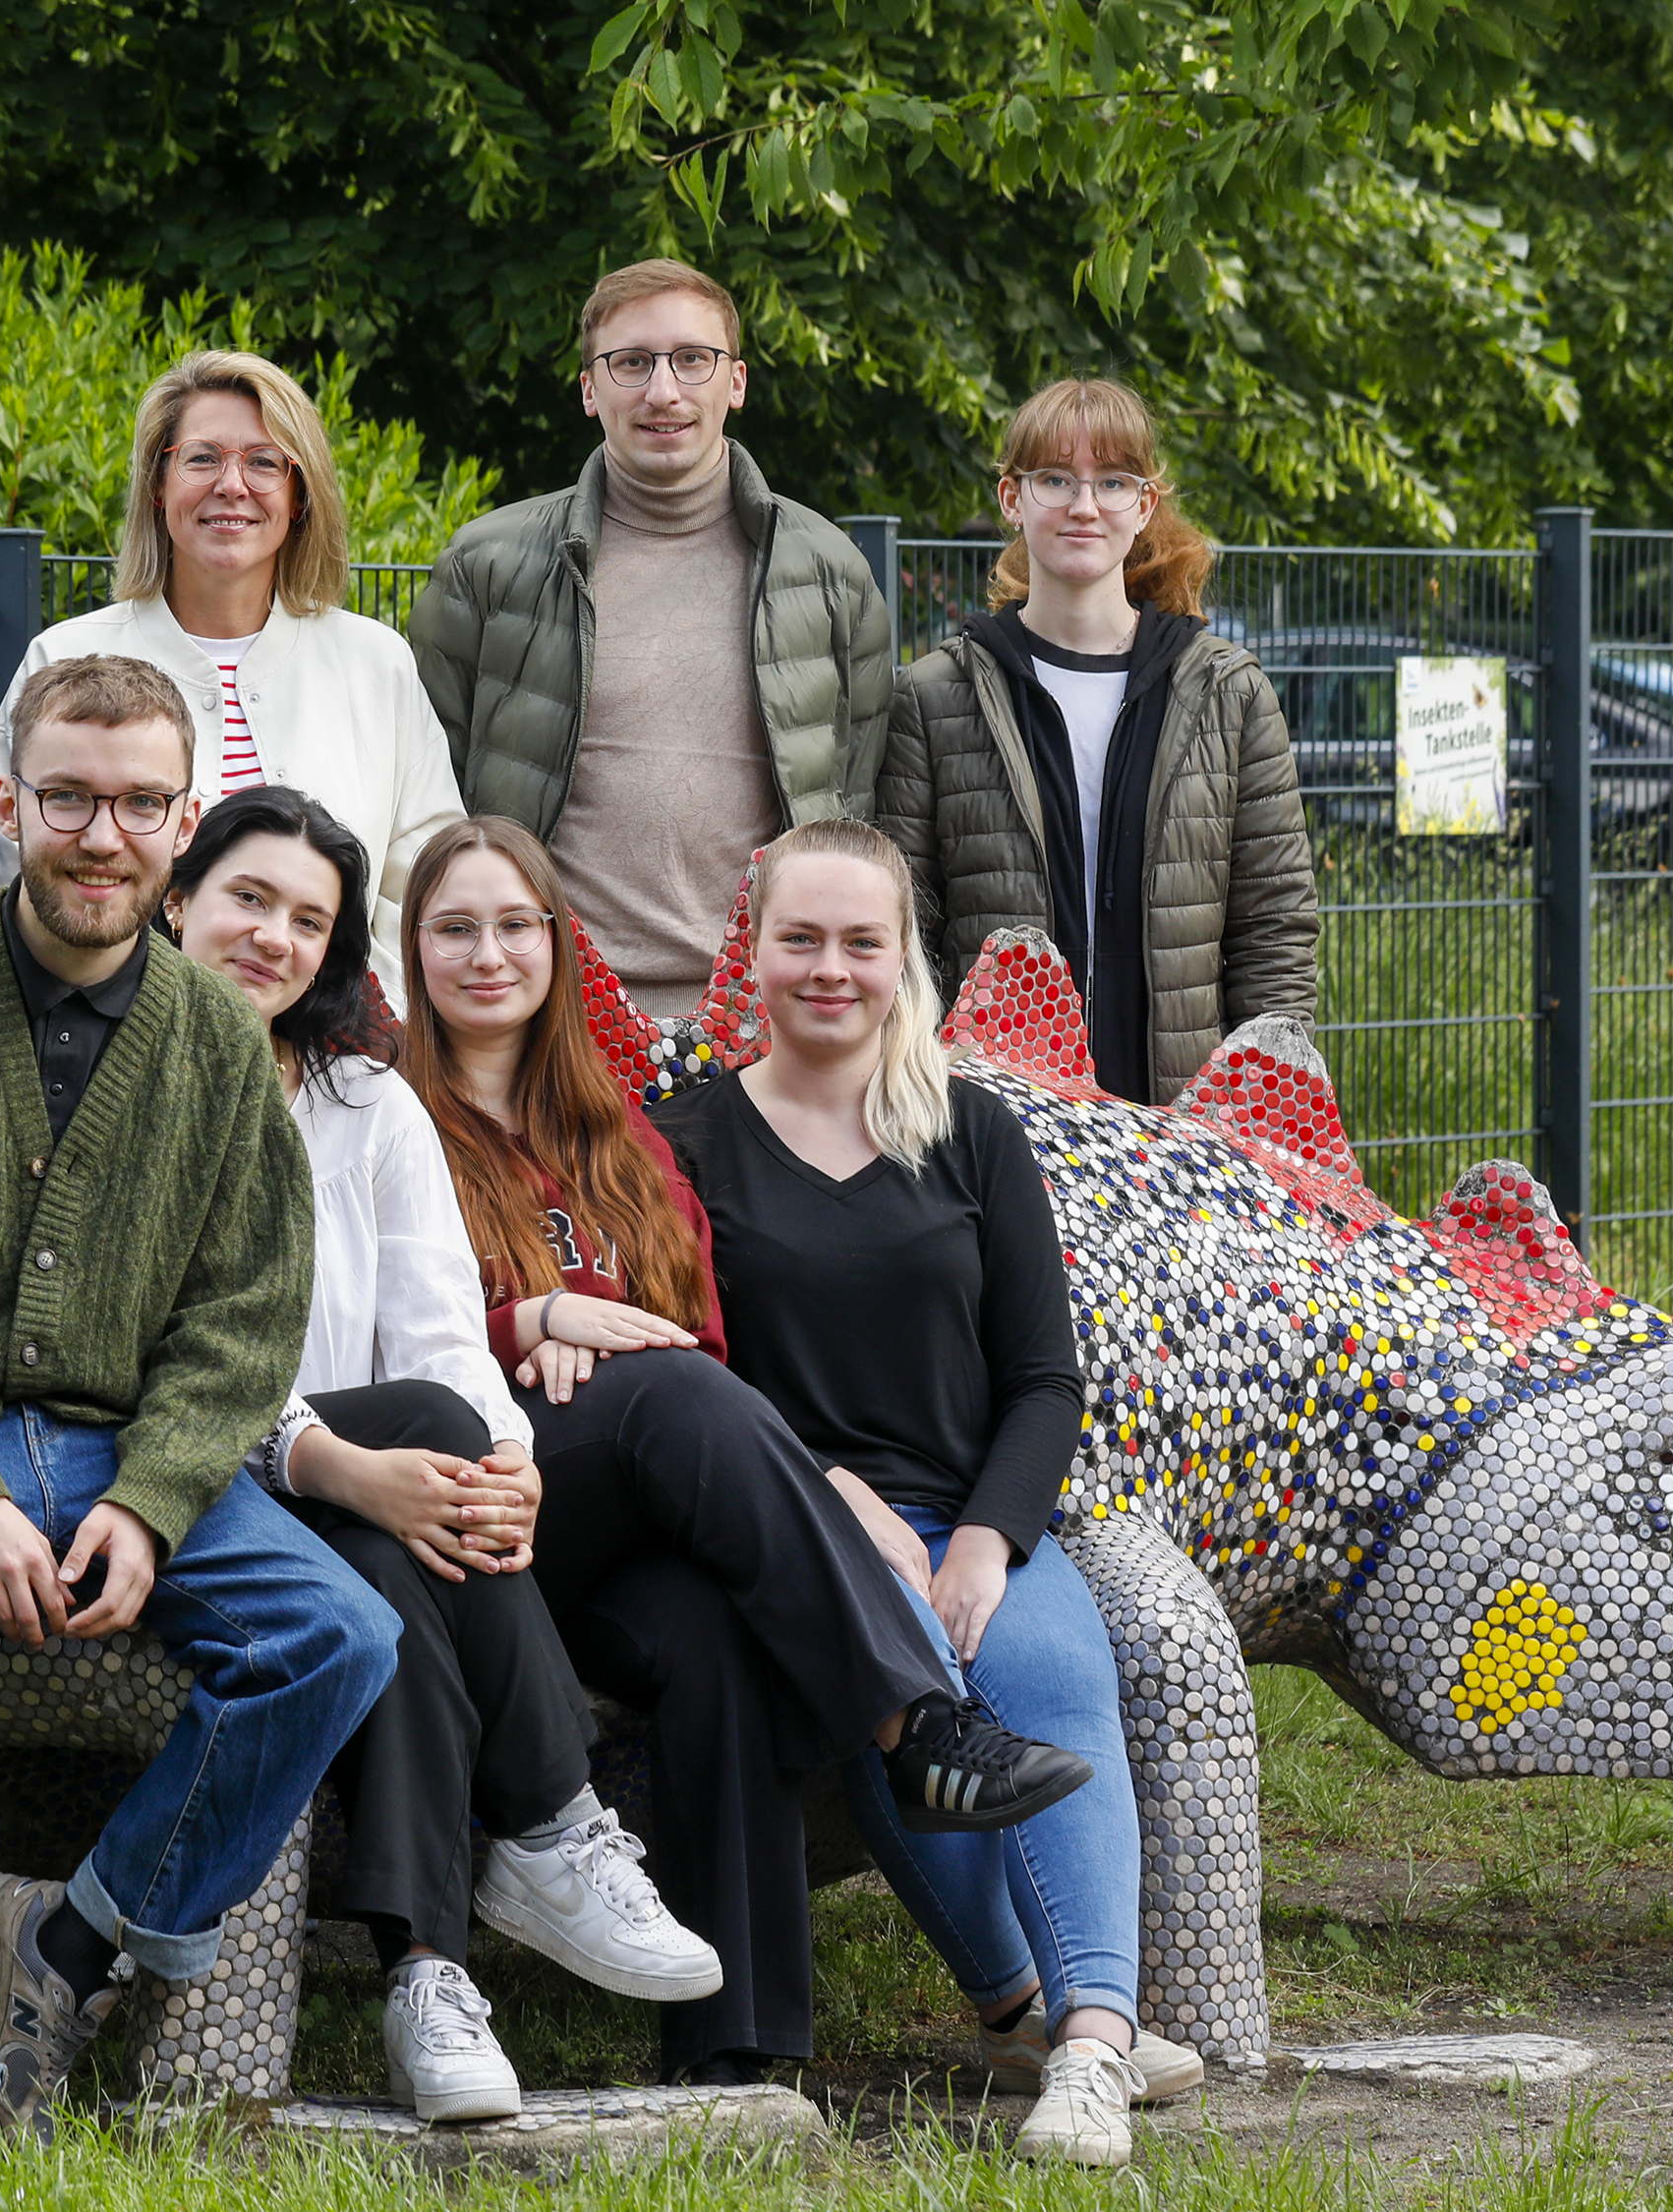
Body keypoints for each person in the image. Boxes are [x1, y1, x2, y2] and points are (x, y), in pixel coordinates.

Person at [0, 654, 397, 2176]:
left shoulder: (213, 1038)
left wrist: (157, 1497)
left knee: (340, 1634)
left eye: (138, 804)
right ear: (8, 804)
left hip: (133, 1455)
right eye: (67, 797)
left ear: (180, 824)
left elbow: (247, 1309)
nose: (100, 834)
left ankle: (81, 1938)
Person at [384, 813, 1088, 2088]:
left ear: (553, 945)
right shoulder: (381, 1115)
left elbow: (700, 1329)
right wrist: (524, 1320)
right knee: (665, 1396)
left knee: (717, 1633)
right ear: (411, 949)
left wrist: (754, 1445)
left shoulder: (617, 1128)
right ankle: (913, 1721)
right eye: (455, 928)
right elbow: (351, 1327)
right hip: (465, 1504)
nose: (488, 954)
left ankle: (737, 2056)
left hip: (616, 1529)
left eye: (514, 925)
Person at [160, 786, 718, 2125]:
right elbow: (153, 1365)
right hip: (197, 1486)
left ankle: (429, 1970)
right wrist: (336, 1463)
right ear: (178, 902)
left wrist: (506, 1458)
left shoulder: (369, 1105)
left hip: (381, 1496)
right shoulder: (127, 1097)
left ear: (335, 953)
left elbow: (444, 1337)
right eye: (248, 899)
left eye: (309, 919)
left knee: (407, 1515)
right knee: (393, 1479)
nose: (272, 937)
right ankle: (542, 1828)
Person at [650, 819, 1196, 2166]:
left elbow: (1044, 1379)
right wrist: (849, 1508)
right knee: (894, 1695)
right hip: (794, 1526)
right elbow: (691, 1378)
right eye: (801, 939)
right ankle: (1017, 2000)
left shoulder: (969, 1130)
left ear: (904, 959)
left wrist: (992, 1543)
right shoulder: (689, 1143)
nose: (828, 969)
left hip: (974, 1515)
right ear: (754, 950)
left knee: (1057, 1676)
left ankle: (1089, 2047)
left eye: (861, 942)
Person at [408, 259, 891, 1019]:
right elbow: (431, 806)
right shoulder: (486, 568)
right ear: (589, 389)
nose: (663, 392)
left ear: (734, 382)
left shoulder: (831, 574)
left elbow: (857, 811)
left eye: (692, 360)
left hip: (760, 1023)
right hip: (549, 1017)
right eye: (631, 363)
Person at [0, 351, 463, 1000]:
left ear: (299, 494)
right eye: (202, 459)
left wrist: (372, 1040)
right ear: (159, 484)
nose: (232, 485)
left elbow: (425, 882)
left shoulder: (377, 663)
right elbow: (15, 881)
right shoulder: (63, 659)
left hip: (333, 1065)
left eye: (263, 462)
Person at [876, 378, 1313, 1103]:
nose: (1084, 506)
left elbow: (1273, 931)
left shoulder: (1228, 694)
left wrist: (1261, 1110)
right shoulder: (934, 695)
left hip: (1184, 1128)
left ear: (1144, 506)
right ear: (1012, 499)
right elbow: (902, 939)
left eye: (1111, 482)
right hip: (1000, 1122)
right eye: (1055, 479)